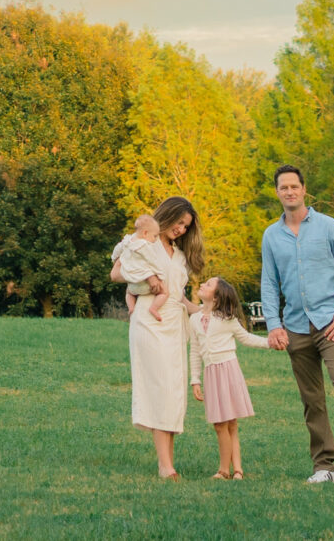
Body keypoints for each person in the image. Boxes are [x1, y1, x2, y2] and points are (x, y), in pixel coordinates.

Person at [259, 164, 334, 488]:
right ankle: (324, 466)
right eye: (283, 188)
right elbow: (269, 284)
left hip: (331, 323)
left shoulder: (328, 227)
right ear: (277, 193)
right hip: (296, 327)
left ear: (303, 189)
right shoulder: (271, 236)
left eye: (294, 186)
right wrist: (274, 325)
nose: (289, 192)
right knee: (312, 399)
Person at [112, 196, 199, 478]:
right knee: (161, 388)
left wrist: (205, 311)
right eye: (179, 223)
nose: (182, 230)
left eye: (186, 227)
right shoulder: (143, 243)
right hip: (150, 319)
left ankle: (168, 461)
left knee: (174, 392)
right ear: (168, 215)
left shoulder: (180, 255)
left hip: (175, 322)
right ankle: (165, 466)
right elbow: (116, 273)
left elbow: (179, 295)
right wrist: (148, 278)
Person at [188, 276, 270, 478]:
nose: (201, 285)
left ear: (216, 298)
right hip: (211, 374)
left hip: (228, 371)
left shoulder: (227, 319)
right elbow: (195, 351)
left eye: (207, 285)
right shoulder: (195, 319)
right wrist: (195, 379)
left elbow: (246, 338)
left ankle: (228, 470)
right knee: (222, 424)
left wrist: (270, 342)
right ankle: (234, 470)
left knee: (227, 423)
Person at [110, 213, 161, 319]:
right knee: (165, 292)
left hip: (132, 285)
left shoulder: (128, 241)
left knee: (128, 292)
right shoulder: (145, 246)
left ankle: (131, 307)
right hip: (146, 285)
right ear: (145, 233)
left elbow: (117, 249)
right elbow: (153, 261)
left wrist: (115, 259)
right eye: (155, 236)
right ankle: (154, 308)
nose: (156, 239)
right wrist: (157, 274)